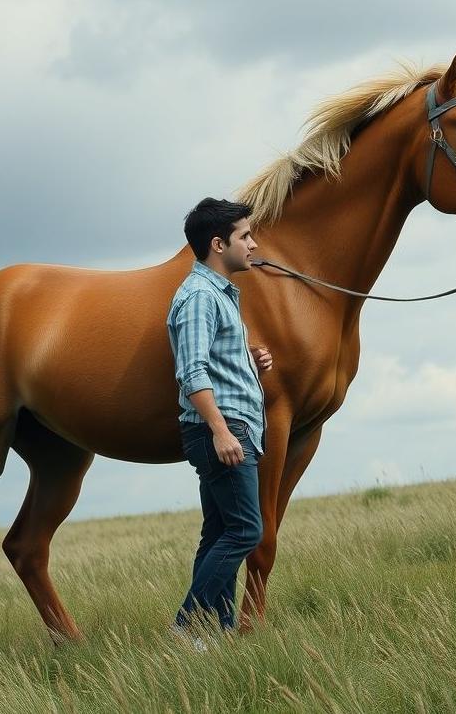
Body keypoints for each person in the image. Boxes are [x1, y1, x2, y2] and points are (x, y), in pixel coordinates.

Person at [167, 197, 273, 644]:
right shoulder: (199, 297)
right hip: (224, 431)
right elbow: (191, 371)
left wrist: (249, 361)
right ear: (217, 244)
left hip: (230, 424)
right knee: (247, 529)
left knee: (219, 534)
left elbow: (210, 361)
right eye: (244, 236)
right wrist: (221, 431)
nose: (252, 244)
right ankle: (185, 625)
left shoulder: (220, 295)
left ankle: (215, 636)